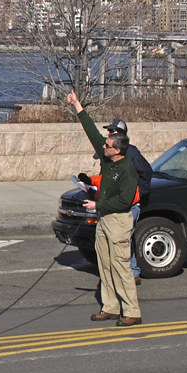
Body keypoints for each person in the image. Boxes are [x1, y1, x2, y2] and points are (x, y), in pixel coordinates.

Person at [67, 91, 142, 327]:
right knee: (105, 265)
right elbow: (91, 131)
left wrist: (97, 204)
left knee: (121, 266)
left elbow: (124, 201)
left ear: (117, 150)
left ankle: (132, 311)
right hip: (104, 220)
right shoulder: (108, 159)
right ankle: (110, 306)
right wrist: (77, 105)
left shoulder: (128, 170)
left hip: (119, 221)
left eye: (108, 145)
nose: (104, 145)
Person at [102, 119, 153, 285]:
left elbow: (146, 171)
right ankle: (128, 272)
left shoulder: (131, 153)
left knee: (123, 241)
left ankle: (130, 274)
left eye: (112, 131)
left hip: (128, 206)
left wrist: (137, 194)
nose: (108, 133)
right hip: (113, 204)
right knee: (120, 241)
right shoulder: (109, 152)